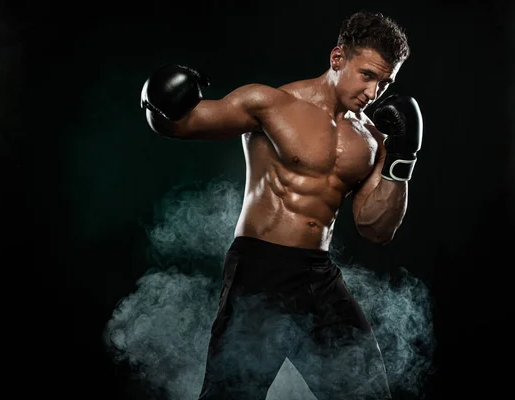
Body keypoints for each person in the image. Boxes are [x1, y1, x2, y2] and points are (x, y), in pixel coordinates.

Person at [140, 10, 423, 400]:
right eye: (368, 75)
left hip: (319, 276)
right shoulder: (270, 103)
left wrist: (402, 160)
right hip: (259, 271)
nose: (373, 93)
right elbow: (179, 123)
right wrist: (157, 98)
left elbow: (375, 228)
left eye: (385, 82)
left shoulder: (373, 140)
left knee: (367, 392)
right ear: (338, 58)